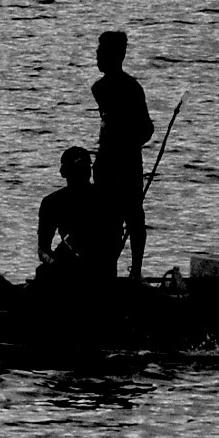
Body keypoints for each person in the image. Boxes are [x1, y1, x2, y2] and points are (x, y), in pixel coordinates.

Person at [91, 30, 152, 278]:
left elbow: (146, 128)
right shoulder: (99, 88)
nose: (97, 55)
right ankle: (109, 273)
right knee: (108, 222)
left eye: (101, 51)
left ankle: (135, 271)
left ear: (117, 55)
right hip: (106, 164)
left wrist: (127, 144)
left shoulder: (131, 88)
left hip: (126, 164)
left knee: (133, 217)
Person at [36, 146, 115, 288]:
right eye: (76, 171)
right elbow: (43, 249)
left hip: (99, 272)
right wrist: (54, 263)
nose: (82, 175)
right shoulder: (52, 203)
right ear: (64, 172)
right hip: (65, 269)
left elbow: (112, 242)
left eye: (84, 170)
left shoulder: (105, 200)